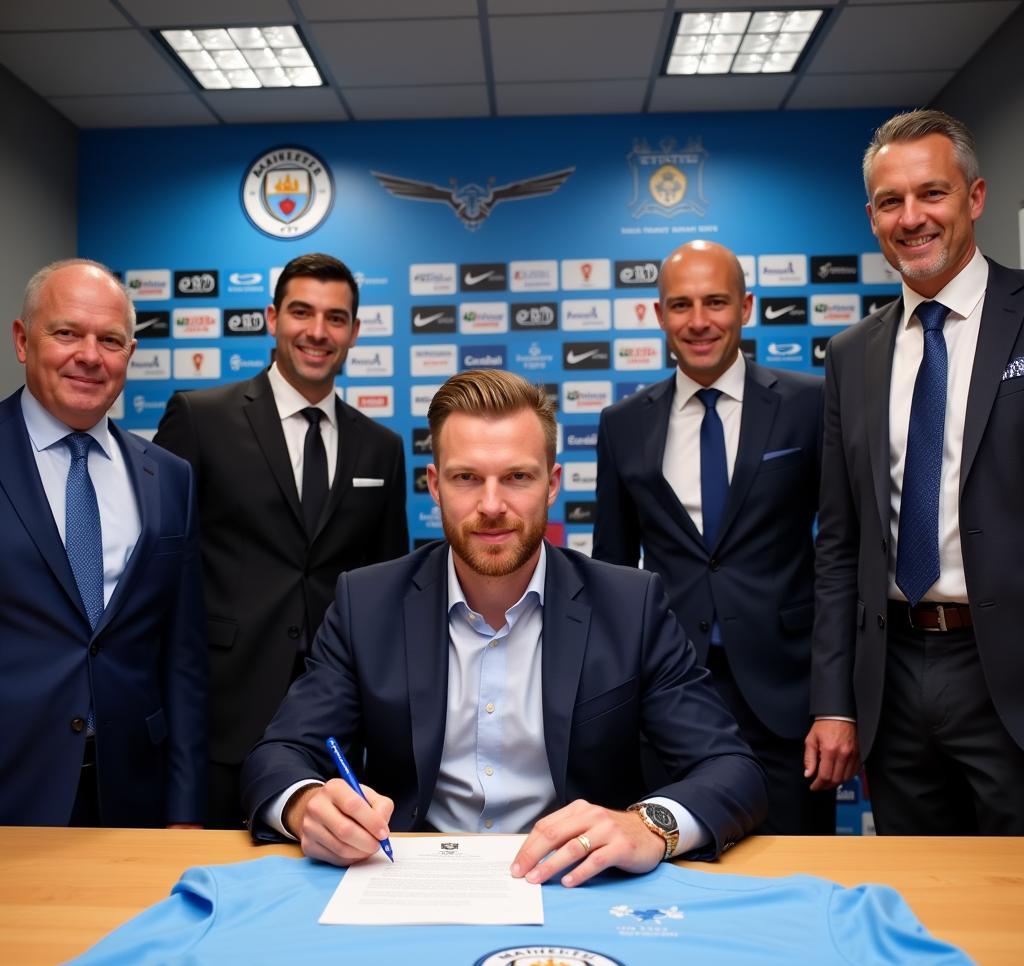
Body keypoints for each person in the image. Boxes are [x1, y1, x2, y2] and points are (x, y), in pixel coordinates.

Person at [242, 369, 766, 883]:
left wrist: (648, 826)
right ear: (435, 486)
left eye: (517, 477)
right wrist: (307, 806)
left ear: (552, 484)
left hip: (577, 885)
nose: (492, 506)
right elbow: (279, 754)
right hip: (406, 883)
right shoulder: (368, 603)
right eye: (467, 477)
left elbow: (731, 770)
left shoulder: (630, 606)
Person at [809, 109, 1024, 834]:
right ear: (871, 217)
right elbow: (840, 545)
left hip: (1009, 674)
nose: (912, 218)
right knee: (921, 897)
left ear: (976, 197)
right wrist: (834, 699)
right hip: (893, 675)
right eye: (890, 202)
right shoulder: (852, 355)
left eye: (931, 193)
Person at [155, 253, 408, 828]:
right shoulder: (200, 417)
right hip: (222, 718)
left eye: (336, 318)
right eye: (301, 312)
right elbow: (163, 573)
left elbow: (390, 587)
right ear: (272, 318)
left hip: (341, 726)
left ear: (355, 331)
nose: (318, 332)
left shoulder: (381, 447)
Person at [593, 241, 832, 835]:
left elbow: (841, 554)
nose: (698, 322)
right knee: (671, 873)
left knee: (798, 873)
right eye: (681, 305)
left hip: (789, 697)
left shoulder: (809, 405)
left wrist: (837, 702)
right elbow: (612, 572)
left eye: (716, 302)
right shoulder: (623, 424)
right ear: (658, 315)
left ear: (746, 306)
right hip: (669, 694)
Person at [0, 259, 206, 827]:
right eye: (66, 332)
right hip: (14, 788)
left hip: (134, 791)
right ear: (23, 341)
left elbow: (183, 662)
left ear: (129, 354)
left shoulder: (169, 477)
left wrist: (186, 810)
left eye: (110, 340)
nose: (89, 355)